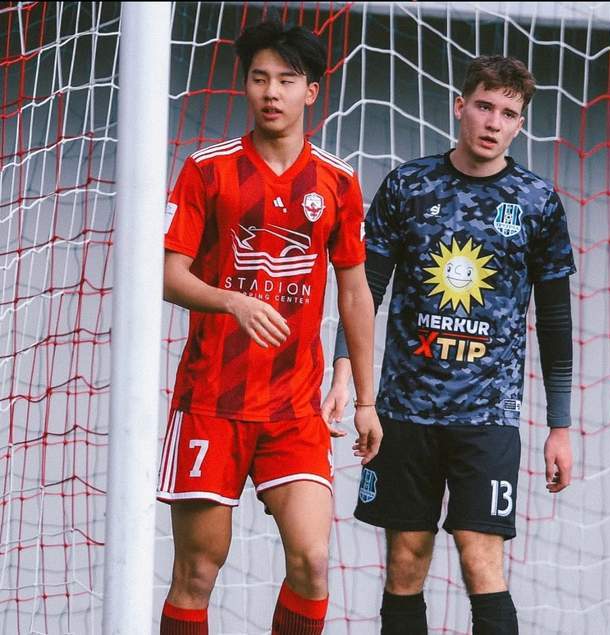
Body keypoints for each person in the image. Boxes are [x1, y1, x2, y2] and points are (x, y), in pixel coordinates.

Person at [322, 55, 575, 634]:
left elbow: (556, 322)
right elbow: (365, 293)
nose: (493, 122)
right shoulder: (409, 186)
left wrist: (559, 427)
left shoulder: (536, 202)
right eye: (484, 106)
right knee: (405, 562)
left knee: (480, 559)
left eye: (508, 113)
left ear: (519, 124)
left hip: (487, 419)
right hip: (404, 413)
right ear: (460, 106)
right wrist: (344, 372)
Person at [157, 19, 382, 635]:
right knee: (197, 571)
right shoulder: (208, 169)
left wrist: (366, 400)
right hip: (212, 402)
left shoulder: (337, 181)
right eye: (259, 78)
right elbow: (167, 276)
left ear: (311, 91)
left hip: (293, 407)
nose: (271, 92)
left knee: (313, 562)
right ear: (246, 86)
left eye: (286, 79)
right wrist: (232, 302)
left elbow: (355, 293)